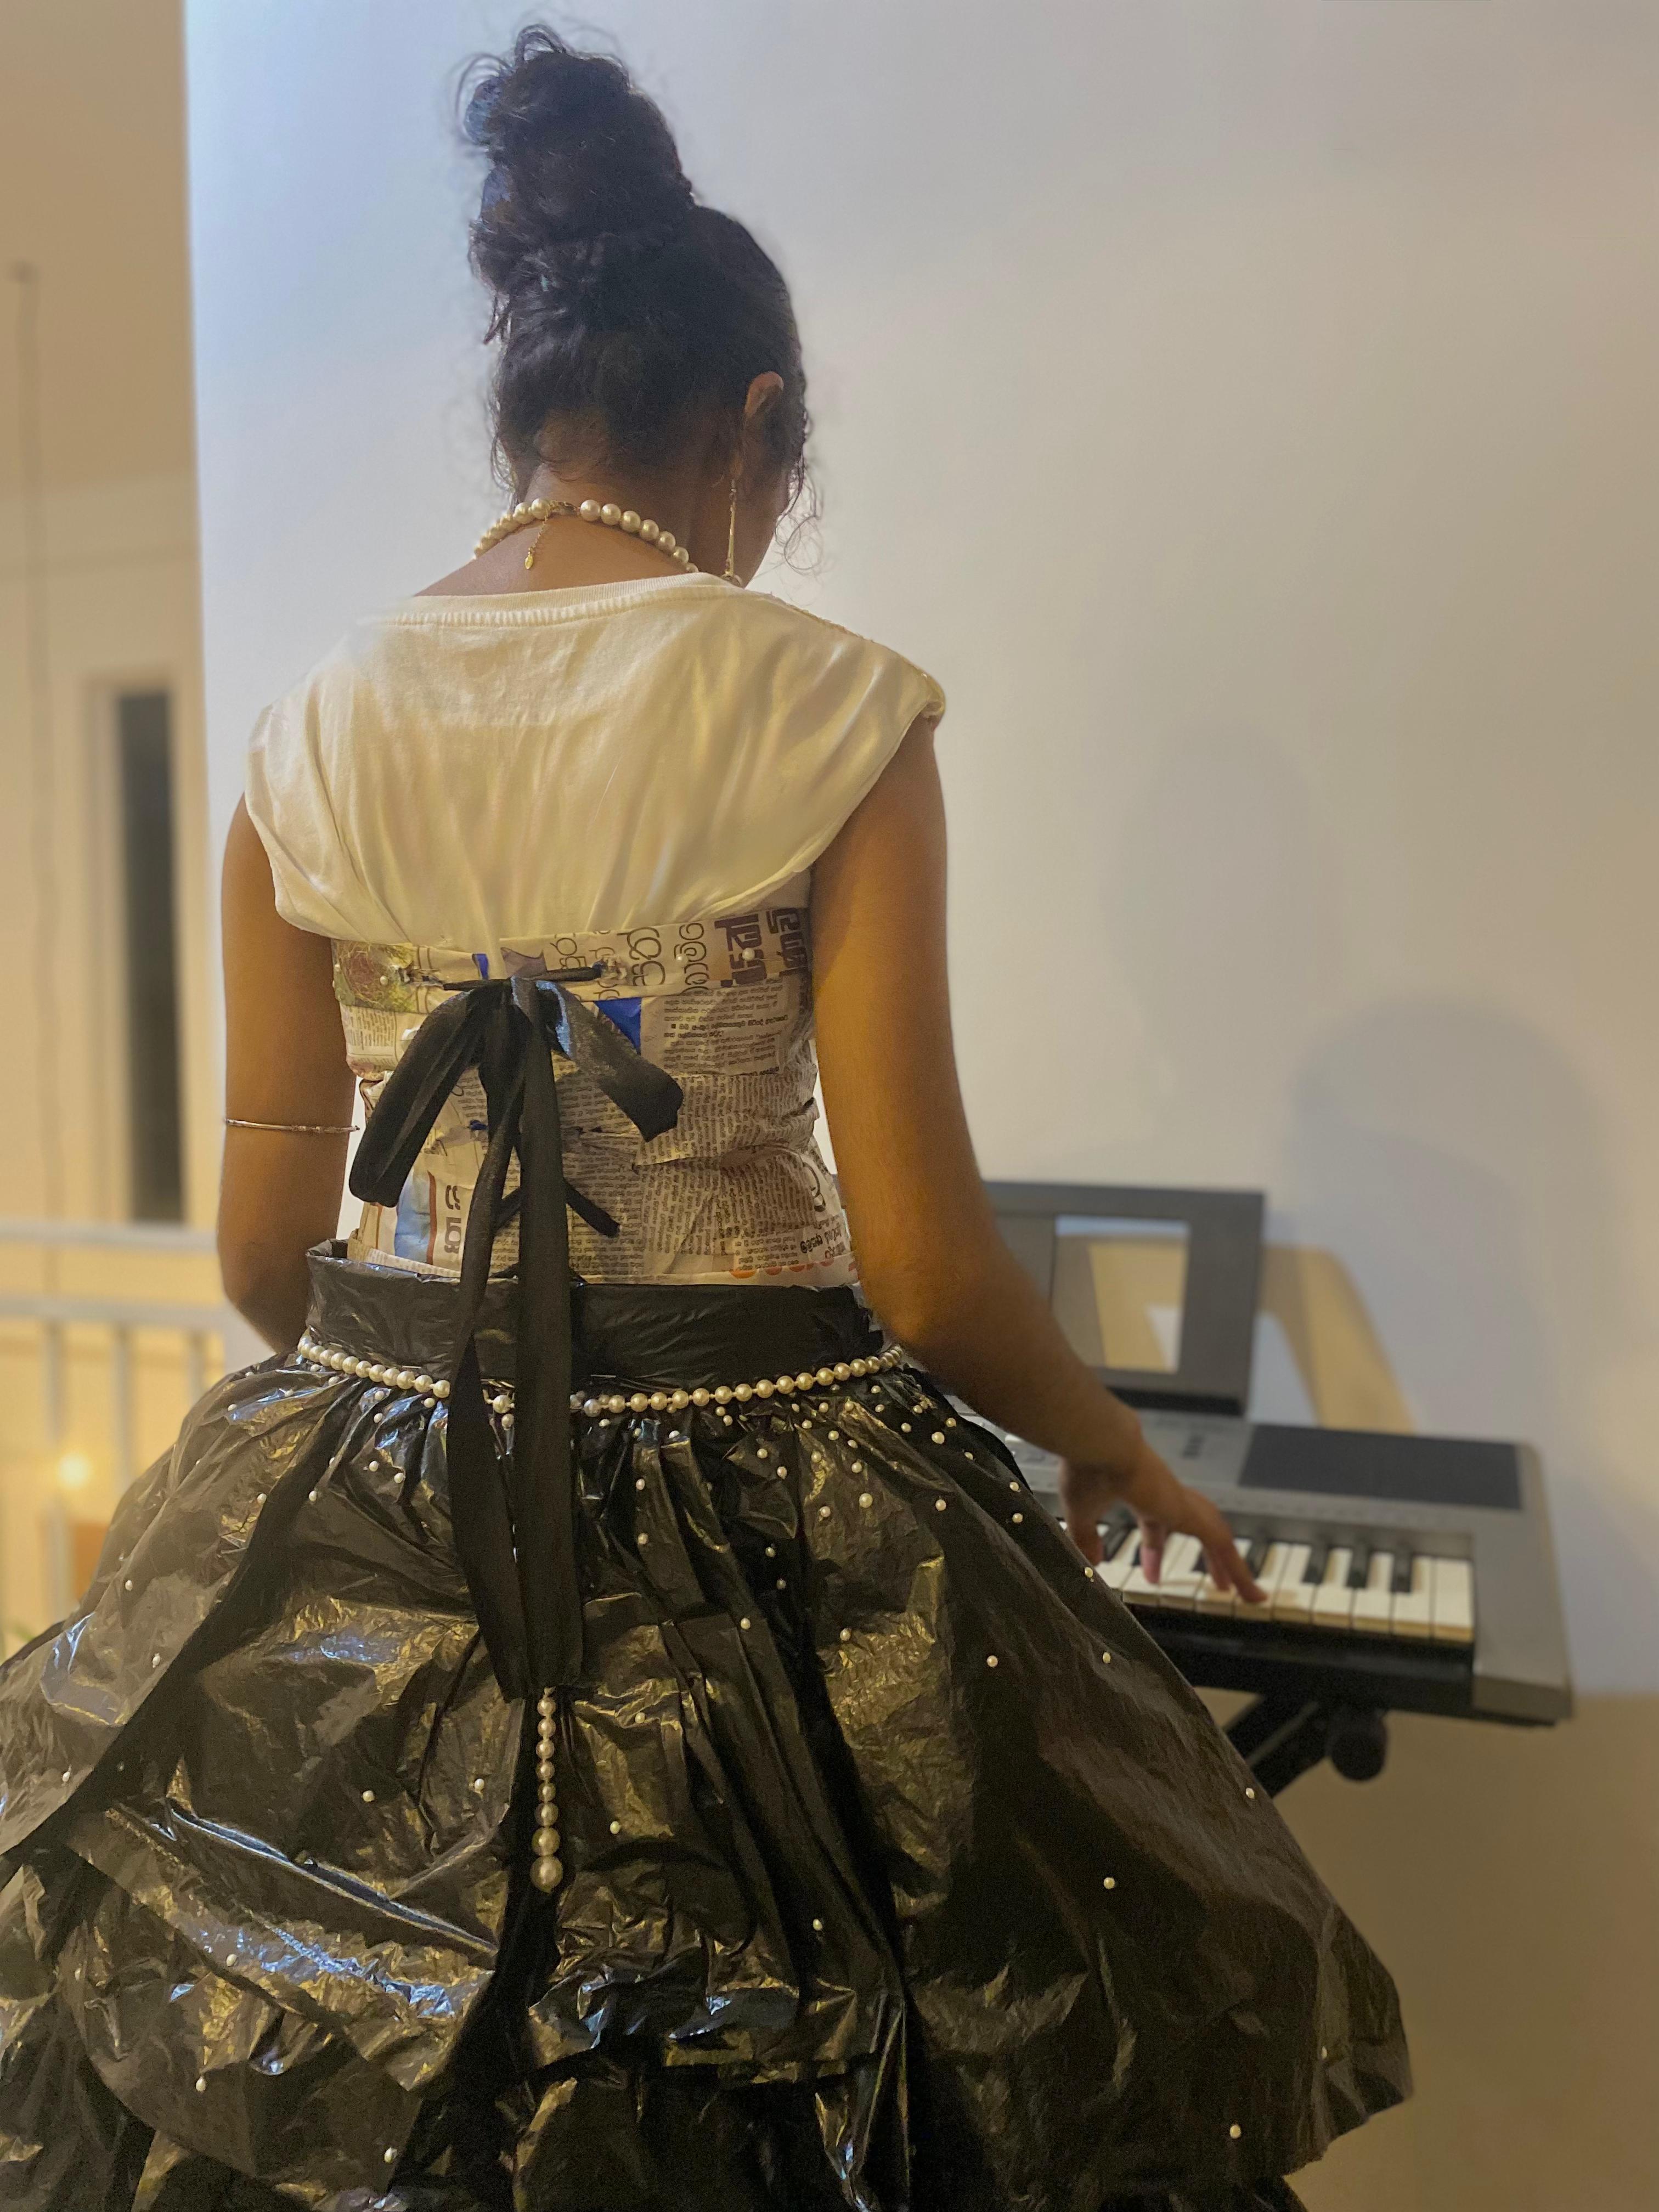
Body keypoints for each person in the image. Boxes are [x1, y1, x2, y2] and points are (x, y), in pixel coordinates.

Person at [0, 27, 1406, 2210]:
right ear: (753, 424)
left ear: (525, 404)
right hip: (773, 1506)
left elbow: (266, 1265)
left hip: (385, 1465)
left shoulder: (309, 738)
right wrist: (1112, 1442)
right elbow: (931, 1272)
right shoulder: (831, 711)